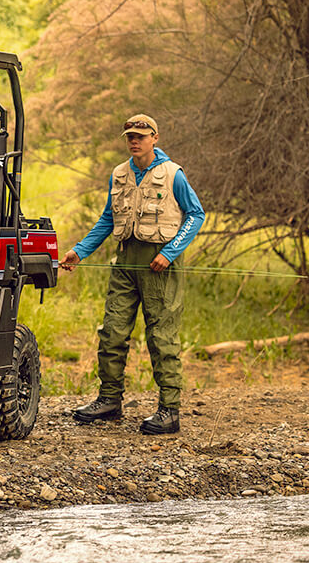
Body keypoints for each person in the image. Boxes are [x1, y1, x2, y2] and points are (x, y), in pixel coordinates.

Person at [60, 114, 205, 435]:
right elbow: (108, 219)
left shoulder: (173, 174)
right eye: (130, 136)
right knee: (112, 333)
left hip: (159, 265)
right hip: (125, 264)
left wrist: (170, 253)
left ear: (155, 138)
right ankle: (109, 400)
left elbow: (196, 215)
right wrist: (80, 252)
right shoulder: (119, 174)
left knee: (161, 337)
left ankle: (169, 411)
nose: (134, 141)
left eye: (141, 135)